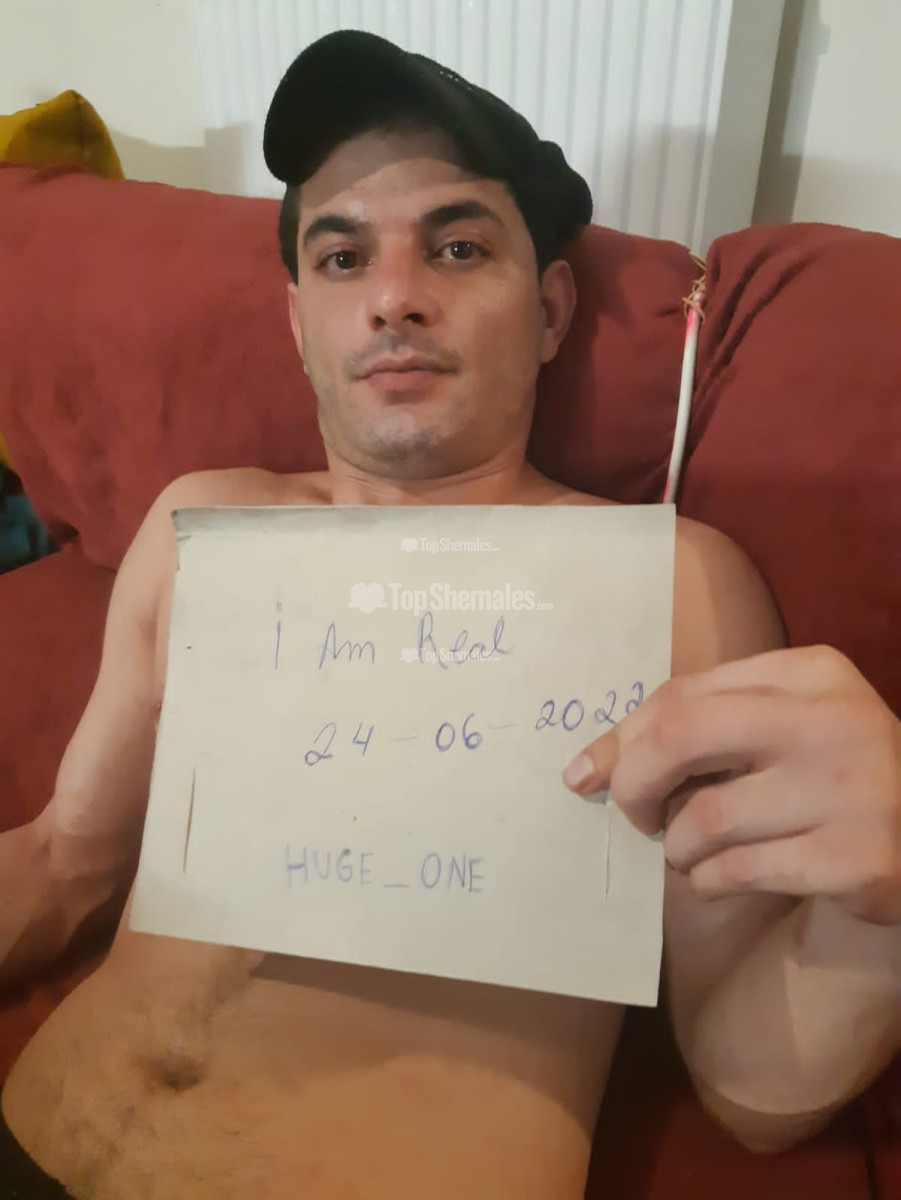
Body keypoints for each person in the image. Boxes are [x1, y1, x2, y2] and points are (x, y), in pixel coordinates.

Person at [0, 28, 897, 1199]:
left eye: (457, 246)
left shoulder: (669, 583)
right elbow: (67, 860)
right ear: (296, 322)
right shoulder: (194, 527)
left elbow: (740, 1076)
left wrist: (879, 920)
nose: (391, 299)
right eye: (340, 257)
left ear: (553, 311)